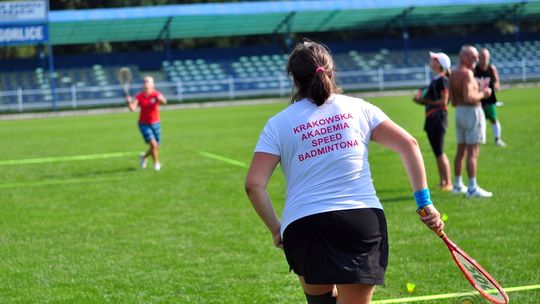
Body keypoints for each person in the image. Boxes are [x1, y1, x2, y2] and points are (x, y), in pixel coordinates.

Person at [245, 39, 444, 304]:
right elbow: (409, 144)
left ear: (294, 79)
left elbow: (253, 185)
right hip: (360, 222)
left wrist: (275, 229)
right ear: (331, 70)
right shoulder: (359, 107)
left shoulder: (277, 123)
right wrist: (424, 203)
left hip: (303, 226)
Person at [449, 45, 493, 197]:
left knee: (460, 150)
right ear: (464, 57)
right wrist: (484, 93)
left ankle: (457, 185)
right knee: (473, 152)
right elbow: (469, 97)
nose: (476, 59)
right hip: (471, 112)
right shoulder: (467, 73)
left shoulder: (453, 73)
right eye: (473, 56)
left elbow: (453, 101)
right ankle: (472, 188)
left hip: (459, 112)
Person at [413, 52, 453, 192]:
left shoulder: (442, 80)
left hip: (438, 119)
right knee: (437, 152)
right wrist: (419, 99)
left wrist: (423, 100)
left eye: (434, 59)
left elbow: (443, 101)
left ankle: (448, 182)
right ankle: (443, 181)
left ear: (440, 64)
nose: (431, 60)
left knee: (440, 151)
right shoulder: (436, 79)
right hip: (432, 118)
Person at [125, 76, 167, 171]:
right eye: (144, 82)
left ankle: (144, 157)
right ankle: (156, 164)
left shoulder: (156, 94)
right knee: (154, 144)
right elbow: (132, 108)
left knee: (156, 146)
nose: (146, 83)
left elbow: (164, 102)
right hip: (144, 124)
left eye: (148, 82)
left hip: (156, 123)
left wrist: (161, 100)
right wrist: (128, 102)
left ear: (152, 84)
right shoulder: (139, 96)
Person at [474, 48, 506, 147]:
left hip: (489, 98)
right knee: (477, 120)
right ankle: (476, 140)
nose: (484, 58)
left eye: (486, 56)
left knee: (493, 118)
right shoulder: (475, 69)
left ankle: (497, 139)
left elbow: (496, 81)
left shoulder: (491, 68)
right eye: (482, 56)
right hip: (477, 98)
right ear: (478, 57)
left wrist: (496, 86)